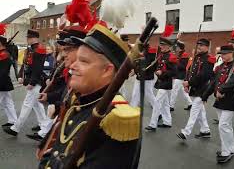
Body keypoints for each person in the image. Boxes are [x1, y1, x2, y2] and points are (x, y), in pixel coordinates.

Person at [39, 23, 140, 169]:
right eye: (77, 59)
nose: (73, 66)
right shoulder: (80, 101)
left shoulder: (117, 120)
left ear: (106, 70)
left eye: (84, 61)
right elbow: (55, 152)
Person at [202, 45, 234, 163]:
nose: (223, 56)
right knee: (226, 126)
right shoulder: (220, 67)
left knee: (223, 125)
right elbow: (213, 83)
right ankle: (228, 149)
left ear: (232, 53)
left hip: (230, 99)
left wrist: (221, 90)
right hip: (219, 100)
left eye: (225, 53)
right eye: (221, 54)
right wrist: (206, 95)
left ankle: (226, 152)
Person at [3, 29, 51, 138]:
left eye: (28, 38)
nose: (27, 39)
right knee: (36, 104)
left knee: (27, 104)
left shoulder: (39, 49)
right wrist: (21, 76)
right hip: (31, 80)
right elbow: (26, 65)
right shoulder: (31, 49)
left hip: (36, 82)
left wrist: (32, 83)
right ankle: (43, 124)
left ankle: (16, 128)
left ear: (34, 38)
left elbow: (37, 69)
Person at [176, 38, 215, 140]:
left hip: (203, 88)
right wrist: (186, 84)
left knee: (194, 110)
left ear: (207, 47)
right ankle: (205, 130)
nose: (199, 47)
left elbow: (204, 75)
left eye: (202, 45)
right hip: (195, 87)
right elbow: (189, 71)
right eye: (198, 45)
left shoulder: (209, 59)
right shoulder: (196, 57)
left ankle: (186, 132)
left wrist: (189, 82)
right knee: (200, 111)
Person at [145, 37, 177, 131]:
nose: (161, 47)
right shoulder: (161, 55)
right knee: (165, 104)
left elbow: (174, 72)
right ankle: (167, 122)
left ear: (168, 47)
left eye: (163, 45)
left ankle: (153, 124)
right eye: (161, 45)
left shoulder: (171, 57)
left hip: (166, 83)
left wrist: (162, 73)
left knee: (157, 103)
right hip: (161, 82)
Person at [130, 44, 157, 108]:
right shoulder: (140, 53)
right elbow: (136, 64)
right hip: (139, 77)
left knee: (150, 95)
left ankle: (158, 111)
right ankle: (132, 110)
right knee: (135, 94)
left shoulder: (151, 54)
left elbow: (151, 66)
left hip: (147, 78)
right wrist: (135, 71)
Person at [169, 40, 192, 111]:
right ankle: (190, 103)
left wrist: (175, 62)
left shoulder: (184, 55)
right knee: (183, 91)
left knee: (174, 90)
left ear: (180, 48)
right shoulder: (180, 54)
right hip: (179, 75)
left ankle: (171, 105)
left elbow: (183, 66)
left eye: (177, 47)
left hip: (181, 75)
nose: (176, 48)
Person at [0, 34, 18, 127]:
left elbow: (3, 71)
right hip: (4, 82)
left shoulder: (4, 54)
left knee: (7, 102)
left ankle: (13, 121)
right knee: (8, 103)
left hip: (2, 82)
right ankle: (13, 120)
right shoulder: (3, 53)